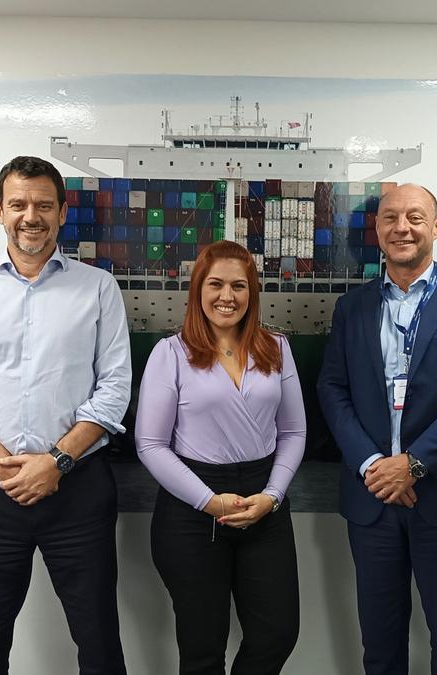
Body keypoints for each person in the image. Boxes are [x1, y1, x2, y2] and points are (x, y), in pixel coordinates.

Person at [0, 156, 132, 675]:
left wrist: (56, 462)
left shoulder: (98, 288)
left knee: (99, 644)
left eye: (43, 205)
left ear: (62, 213)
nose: (30, 216)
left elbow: (114, 389)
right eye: (18, 204)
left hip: (79, 491)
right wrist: (5, 466)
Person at [318, 183, 437, 675]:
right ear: (377, 229)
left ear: (436, 227)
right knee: (379, 646)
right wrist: (373, 465)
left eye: (415, 217)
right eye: (390, 218)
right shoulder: (352, 307)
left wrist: (414, 465)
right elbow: (333, 389)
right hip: (373, 498)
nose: (402, 228)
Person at [135, 239, 306, 674]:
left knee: (277, 634)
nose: (226, 296)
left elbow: (293, 431)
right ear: (198, 289)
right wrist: (210, 502)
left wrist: (272, 495)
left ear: (252, 292)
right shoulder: (170, 354)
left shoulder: (277, 348)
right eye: (215, 284)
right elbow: (151, 445)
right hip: (192, 511)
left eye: (238, 286)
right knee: (202, 649)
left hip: (264, 504)